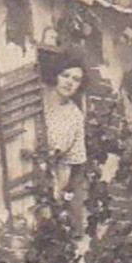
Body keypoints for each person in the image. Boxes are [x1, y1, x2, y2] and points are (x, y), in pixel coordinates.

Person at [33, 49, 90, 236]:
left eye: (76, 79)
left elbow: (71, 161)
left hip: (45, 179)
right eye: (65, 75)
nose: (69, 82)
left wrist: (59, 194)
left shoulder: (74, 117)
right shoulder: (36, 95)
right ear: (55, 74)